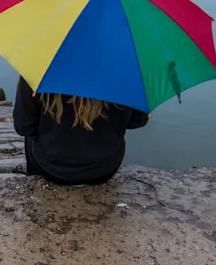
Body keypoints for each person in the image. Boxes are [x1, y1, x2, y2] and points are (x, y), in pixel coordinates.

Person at [13, 76, 149, 186]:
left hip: (50, 169)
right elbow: (136, 121)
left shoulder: (39, 70)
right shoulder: (127, 71)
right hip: (104, 169)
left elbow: (24, 127)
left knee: (31, 135)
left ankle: (34, 181)